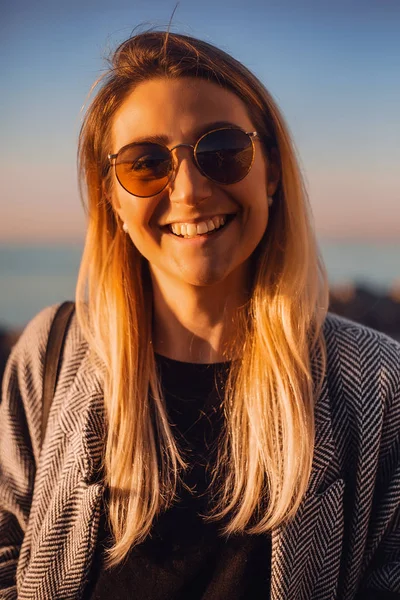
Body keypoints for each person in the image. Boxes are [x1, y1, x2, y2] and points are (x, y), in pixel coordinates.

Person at [0, 30, 399, 600]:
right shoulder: (50, 353)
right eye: (144, 164)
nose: (188, 191)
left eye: (222, 151)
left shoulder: (379, 383)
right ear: (111, 197)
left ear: (272, 172)